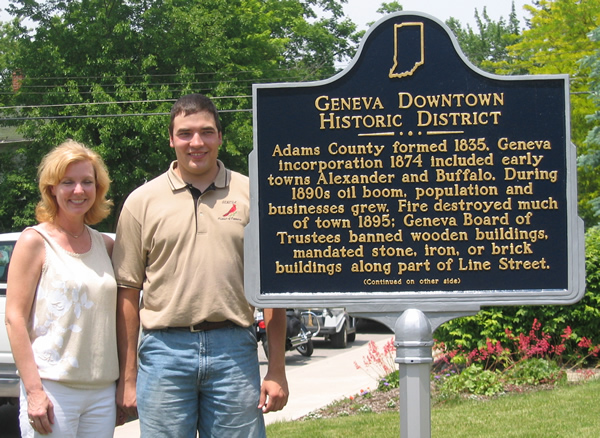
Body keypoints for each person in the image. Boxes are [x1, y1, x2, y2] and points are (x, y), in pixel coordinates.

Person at [113, 93, 289, 437]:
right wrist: (128, 378)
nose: (197, 142)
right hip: (163, 353)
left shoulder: (253, 194)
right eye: (185, 133)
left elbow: (273, 289)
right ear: (171, 139)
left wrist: (277, 370)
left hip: (234, 350)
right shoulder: (141, 202)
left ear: (220, 136)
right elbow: (127, 293)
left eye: (207, 132)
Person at [5, 140, 121, 437]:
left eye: (87, 182)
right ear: (51, 189)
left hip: (102, 391)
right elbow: (14, 318)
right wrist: (33, 391)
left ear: (98, 188)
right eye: (67, 182)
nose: (78, 190)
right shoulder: (34, 241)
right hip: (52, 388)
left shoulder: (106, 245)